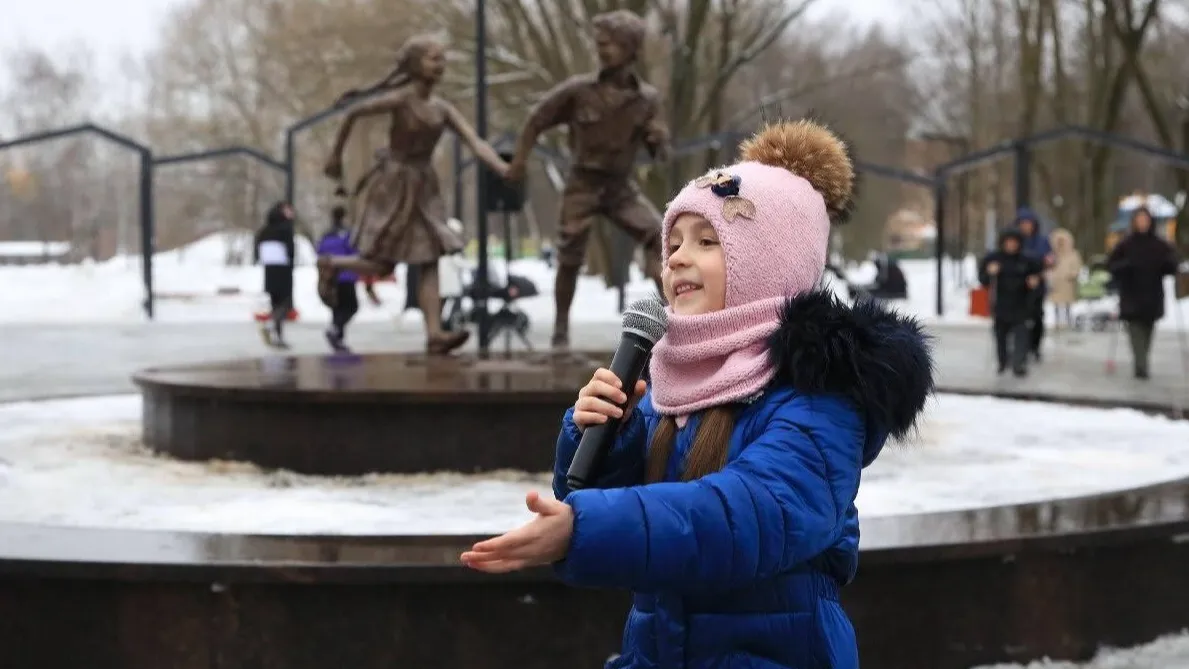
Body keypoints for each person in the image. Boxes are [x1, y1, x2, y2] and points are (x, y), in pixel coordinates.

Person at [461, 118, 935, 669]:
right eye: (675, 243)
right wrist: (601, 438)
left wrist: (585, 528)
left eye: (708, 242)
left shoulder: (819, 400)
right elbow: (623, 506)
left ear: (768, 265)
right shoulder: (676, 386)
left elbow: (743, 516)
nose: (677, 259)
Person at [318, 34, 510, 355]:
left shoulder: (442, 108)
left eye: (442, 59)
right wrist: (335, 158)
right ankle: (332, 265)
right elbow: (354, 113)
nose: (441, 65)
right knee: (381, 264)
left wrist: (504, 169)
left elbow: (475, 142)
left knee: (429, 256)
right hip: (394, 184)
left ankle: (434, 334)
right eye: (433, 58)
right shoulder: (402, 99)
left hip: (424, 186)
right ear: (414, 64)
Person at [505, 10, 670, 350]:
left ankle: (673, 323)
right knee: (569, 255)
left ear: (630, 49)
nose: (601, 51)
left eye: (608, 44)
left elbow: (661, 155)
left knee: (661, 237)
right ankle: (560, 331)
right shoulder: (578, 91)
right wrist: (520, 160)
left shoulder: (648, 100)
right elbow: (536, 120)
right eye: (599, 44)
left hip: (621, 188)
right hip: (583, 184)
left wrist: (657, 140)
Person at [1108, 206, 1180, 379]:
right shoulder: (1125, 244)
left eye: (1145, 220)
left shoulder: (1159, 244)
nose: (1142, 223)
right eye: (1139, 220)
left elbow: (1172, 265)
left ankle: (1142, 360)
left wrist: (1169, 265)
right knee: (1135, 332)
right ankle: (1141, 365)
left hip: (1152, 296)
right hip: (1131, 295)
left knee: (1147, 332)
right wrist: (1124, 267)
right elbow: (1111, 265)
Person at [979, 228, 1044, 377]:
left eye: (1014, 243)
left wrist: (1034, 284)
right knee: (1001, 336)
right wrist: (990, 273)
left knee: (1021, 335)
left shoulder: (1027, 260)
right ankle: (1002, 361)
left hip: (1021, 304)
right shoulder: (994, 258)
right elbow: (983, 280)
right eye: (1008, 243)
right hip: (1001, 304)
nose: (1011, 246)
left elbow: (1038, 280)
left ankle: (1019, 363)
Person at [316, 205, 381, 353]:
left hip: (330, 277)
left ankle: (338, 339)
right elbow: (354, 251)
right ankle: (335, 330)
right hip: (346, 275)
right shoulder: (347, 234)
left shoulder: (326, 234)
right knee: (351, 306)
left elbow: (319, 252)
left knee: (337, 308)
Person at [254, 201, 296, 350]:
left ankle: (277, 335)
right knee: (284, 302)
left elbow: (257, 249)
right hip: (283, 269)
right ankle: (272, 326)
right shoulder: (286, 229)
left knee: (275, 301)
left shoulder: (264, 230)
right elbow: (291, 250)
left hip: (269, 269)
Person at [1014, 208, 1053, 359]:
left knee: (1037, 317)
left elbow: (1049, 260)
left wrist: (1047, 265)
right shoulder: (1015, 241)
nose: (1026, 226)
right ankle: (1019, 347)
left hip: (1037, 284)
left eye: (1028, 223)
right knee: (1019, 318)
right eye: (1023, 223)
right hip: (1018, 286)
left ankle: (1035, 346)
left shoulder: (1042, 241)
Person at [1046, 228, 1082, 330]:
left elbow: (1077, 266)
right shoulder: (1053, 255)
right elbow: (1048, 266)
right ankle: (1057, 321)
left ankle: (1069, 320)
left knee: (1067, 303)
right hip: (1056, 282)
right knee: (1056, 303)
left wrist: (1072, 275)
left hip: (1067, 283)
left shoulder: (1073, 254)